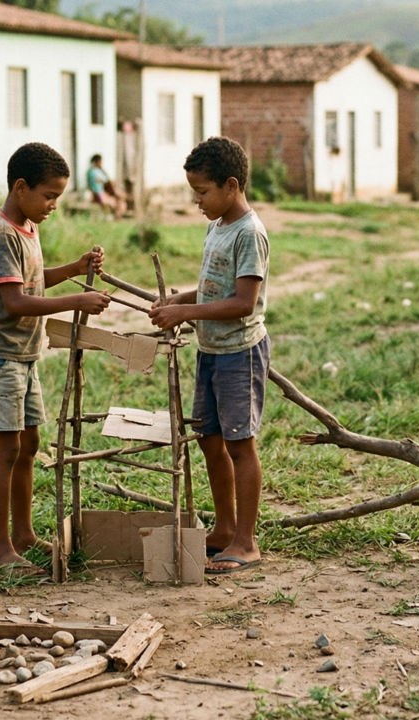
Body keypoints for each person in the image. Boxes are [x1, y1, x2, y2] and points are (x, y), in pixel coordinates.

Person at [0, 142, 110, 571]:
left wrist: (73, 267)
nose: (53, 206)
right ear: (21, 186)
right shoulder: (3, 233)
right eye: (49, 196)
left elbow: (32, 280)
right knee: (6, 450)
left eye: (57, 198)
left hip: (23, 355)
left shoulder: (27, 227)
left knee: (28, 445)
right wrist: (74, 303)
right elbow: (16, 301)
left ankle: (24, 534)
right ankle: (0, 548)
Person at [148, 136, 270, 576]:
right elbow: (215, 289)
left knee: (239, 444)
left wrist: (186, 311)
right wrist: (179, 300)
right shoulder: (217, 226)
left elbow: (242, 302)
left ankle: (246, 540)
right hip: (211, 350)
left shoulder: (249, 233)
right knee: (209, 439)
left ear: (232, 185)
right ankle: (223, 528)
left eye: (203, 192)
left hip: (240, 353)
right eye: (194, 192)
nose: (197, 201)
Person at [87, 154, 125, 218]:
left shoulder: (96, 171)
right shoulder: (93, 171)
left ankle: (116, 214)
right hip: (98, 193)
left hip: (102, 191)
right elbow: (104, 181)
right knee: (114, 202)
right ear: (97, 162)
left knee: (119, 198)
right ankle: (114, 215)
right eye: (100, 162)